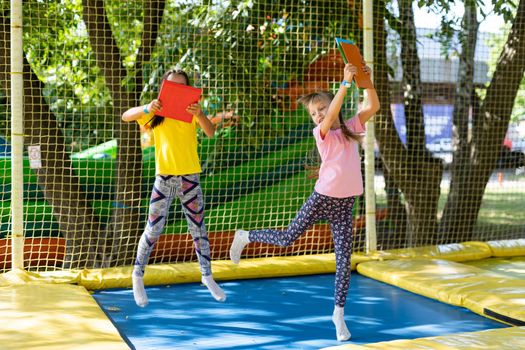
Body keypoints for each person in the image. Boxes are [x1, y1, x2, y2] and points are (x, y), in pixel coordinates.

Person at [229, 63, 379, 341]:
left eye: (321, 107)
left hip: (345, 203)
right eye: (314, 113)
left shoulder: (350, 127)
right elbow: (333, 112)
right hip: (322, 198)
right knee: (287, 238)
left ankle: (338, 314)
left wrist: (365, 80)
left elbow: (373, 106)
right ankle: (246, 236)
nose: (319, 113)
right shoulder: (321, 134)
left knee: (344, 260)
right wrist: (345, 83)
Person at [122, 69, 226, 307]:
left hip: (190, 177)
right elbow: (126, 116)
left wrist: (200, 114)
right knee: (153, 229)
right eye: (172, 86)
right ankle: (137, 276)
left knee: (198, 229)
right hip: (165, 178)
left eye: (182, 86)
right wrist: (148, 108)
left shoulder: (191, 113)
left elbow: (210, 132)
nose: (177, 90)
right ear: (163, 88)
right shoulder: (156, 113)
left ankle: (207, 275)